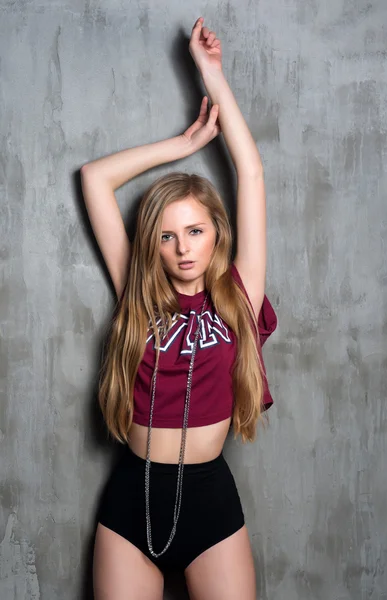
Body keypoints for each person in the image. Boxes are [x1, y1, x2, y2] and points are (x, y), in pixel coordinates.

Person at [80, 16, 278, 600]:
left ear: (217, 233)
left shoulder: (239, 297)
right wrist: (185, 145)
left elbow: (252, 173)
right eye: (168, 236)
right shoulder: (139, 293)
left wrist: (211, 75)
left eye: (194, 231)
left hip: (211, 501)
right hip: (130, 498)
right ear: (153, 246)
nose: (183, 247)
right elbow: (94, 179)